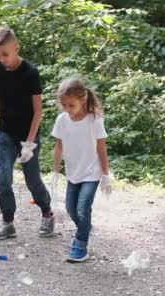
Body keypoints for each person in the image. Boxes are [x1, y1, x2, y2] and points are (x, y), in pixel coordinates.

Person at [0, 27, 55, 240]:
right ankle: (8, 223)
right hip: (6, 131)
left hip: (27, 135)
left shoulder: (30, 73)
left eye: (5, 54)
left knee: (32, 180)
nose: (2, 59)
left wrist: (30, 143)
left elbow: (38, 111)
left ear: (16, 48)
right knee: (3, 179)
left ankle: (47, 213)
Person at [51, 77, 113, 263]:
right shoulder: (62, 120)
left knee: (83, 208)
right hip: (73, 172)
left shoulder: (94, 120)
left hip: (91, 172)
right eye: (64, 105)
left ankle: (80, 244)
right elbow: (59, 146)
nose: (67, 109)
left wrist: (105, 174)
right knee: (71, 208)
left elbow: (101, 148)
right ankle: (84, 228)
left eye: (71, 105)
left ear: (83, 99)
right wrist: (55, 171)